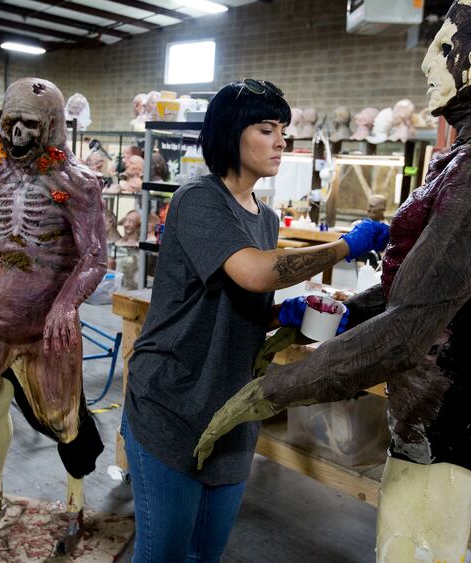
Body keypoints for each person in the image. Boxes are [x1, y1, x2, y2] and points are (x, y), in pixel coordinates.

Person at [195, 3, 471, 561]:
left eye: (446, 46)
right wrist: (347, 314)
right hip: (428, 407)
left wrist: (268, 392)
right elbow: (417, 290)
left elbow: (411, 325)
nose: (429, 60)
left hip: (452, 419)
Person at [121, 79, 388, 562]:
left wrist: (278, 317)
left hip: (232, 409)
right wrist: (346, 244)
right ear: (230, 133)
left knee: (206, 552)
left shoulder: (264, 218)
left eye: (283, 129)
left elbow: (238, 298)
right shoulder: (198, 199)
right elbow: (254, 272)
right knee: (164, 554)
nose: (281, 140)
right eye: (267, 129)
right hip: (172, 401)